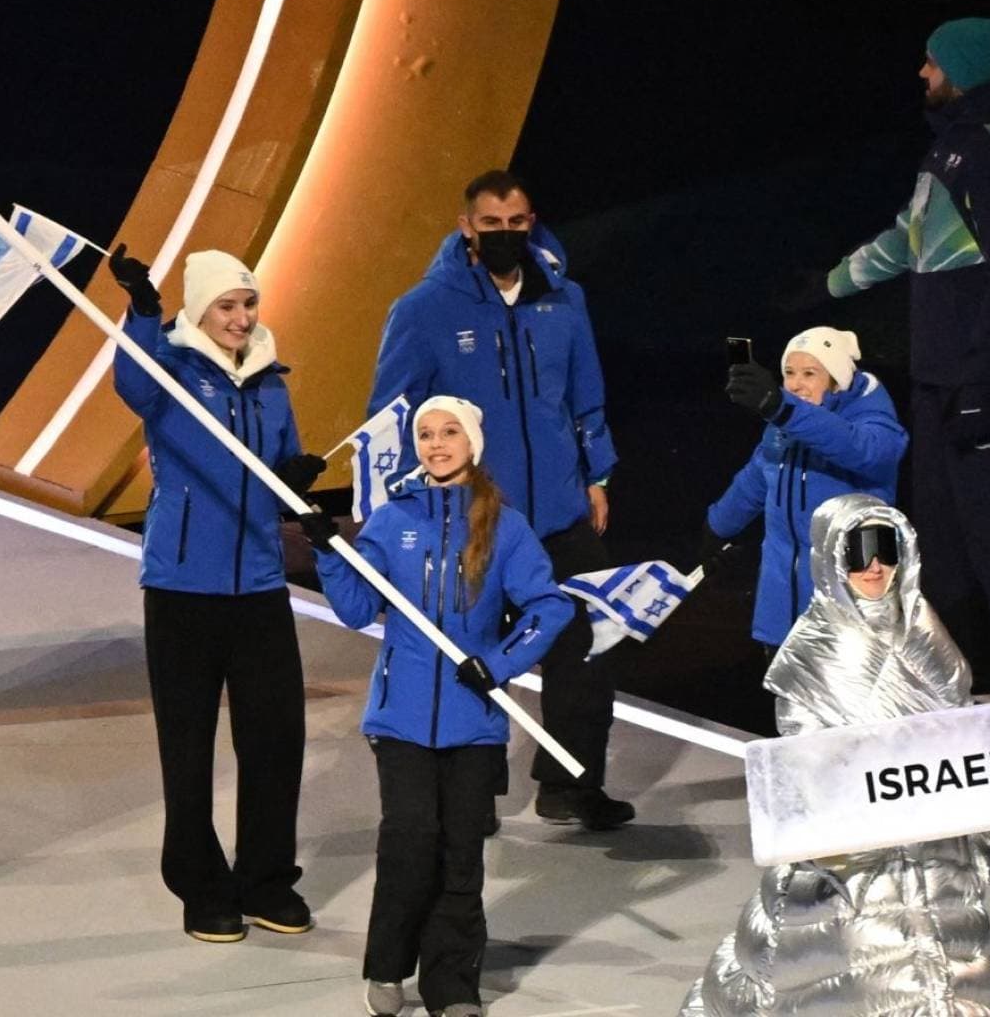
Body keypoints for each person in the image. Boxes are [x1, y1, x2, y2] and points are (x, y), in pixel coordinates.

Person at [782, 16, 990, 699]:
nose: (921, 72)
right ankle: (951, 685)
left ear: (960, 70)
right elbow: (907, 241)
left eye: (931, 62)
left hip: (975, 385)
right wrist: (828, 284)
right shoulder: (949, 152)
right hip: (941, 382)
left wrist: (980, 383)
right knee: (941, 548)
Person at [367, 170, 629, 829]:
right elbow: (393, 414)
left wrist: (596, 476)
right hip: (474, 517)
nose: (507, 236)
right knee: (477, 655)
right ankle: (469, 796)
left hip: (562, 512)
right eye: (492, 226)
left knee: (590, 643)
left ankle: (572, 783)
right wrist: (409, 506)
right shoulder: (425, 310)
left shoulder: (565, 300)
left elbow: (585, 397)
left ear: (531, 223)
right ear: (467, 229)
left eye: (518, 225)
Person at [304, 396, 573, 1017]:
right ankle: (389, 966)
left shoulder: (505, 526)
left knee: (460, 849)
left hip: (472, 721)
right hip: (399, 717)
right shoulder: (392, 519)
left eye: (449, 432)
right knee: (409, 838)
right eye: (425, 434)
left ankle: (451, 984)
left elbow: (549, 607)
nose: (436, 444)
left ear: (472, 443)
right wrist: (326, 549)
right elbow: (353, 609)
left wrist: (501, 663)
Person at [681, 494, 990, 1017]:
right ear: (831, 557)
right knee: (859, 963)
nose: (874, 567)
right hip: (855, 847)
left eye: (885, 549)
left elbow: (961, 724)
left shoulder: (924, 628)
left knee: (932, 957)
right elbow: (806, 755)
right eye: (856, 552)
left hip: (933, 834)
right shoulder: (813, 648)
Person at [109, 245, 328, 944]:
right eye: (226, 306)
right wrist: (143, 312)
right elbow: (130, 383)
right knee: (189, 745)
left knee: (275, 739)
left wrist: (294, 476)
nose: (240, 318)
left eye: (248, 304)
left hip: (260, 586)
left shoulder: (272, 382)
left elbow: (277, 469)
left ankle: (265, 880)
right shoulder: (169, 370)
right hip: (182, 591)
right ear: (199, 310)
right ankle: (202, 888)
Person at [703, 327, 907, 654]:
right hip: (782, 609)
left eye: (810, 373)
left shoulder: (870, 419)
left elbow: (864, 451)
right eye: (789, 373)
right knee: (785, 704)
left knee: (846, 702)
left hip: (847, 612)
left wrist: (783, 409)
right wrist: (717, 527)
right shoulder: (786, 423)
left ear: (837, 379)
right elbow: (757, 477)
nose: (796, 384)